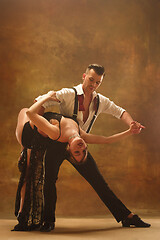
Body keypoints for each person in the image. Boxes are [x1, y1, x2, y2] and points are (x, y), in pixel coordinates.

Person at [35, 64, 151, 231]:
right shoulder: (68, 94)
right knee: (49, 181)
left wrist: (131, 123)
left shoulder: (100, 101)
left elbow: (121, 112)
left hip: (80, 145)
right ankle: (48, 221)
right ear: (84, 76)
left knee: (99, 182)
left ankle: (126, 217)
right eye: (91, 80)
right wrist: (39, 128)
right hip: (58, 143)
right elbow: (41, 101)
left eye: (98, 82)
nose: (93, 85)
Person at [12, 91, 138, 231]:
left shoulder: (56, 133)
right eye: (84, 150)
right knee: (36, 175)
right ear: (86, 145)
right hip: (38, 130)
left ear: (68, 149)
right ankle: (46, 221)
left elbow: (30, 113)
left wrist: (47, 96)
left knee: (23, 112)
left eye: (77, 152)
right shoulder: (80, 132)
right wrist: (129, 131)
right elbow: (106, 140)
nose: (81, 148)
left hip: (26, 134)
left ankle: (126, 216)